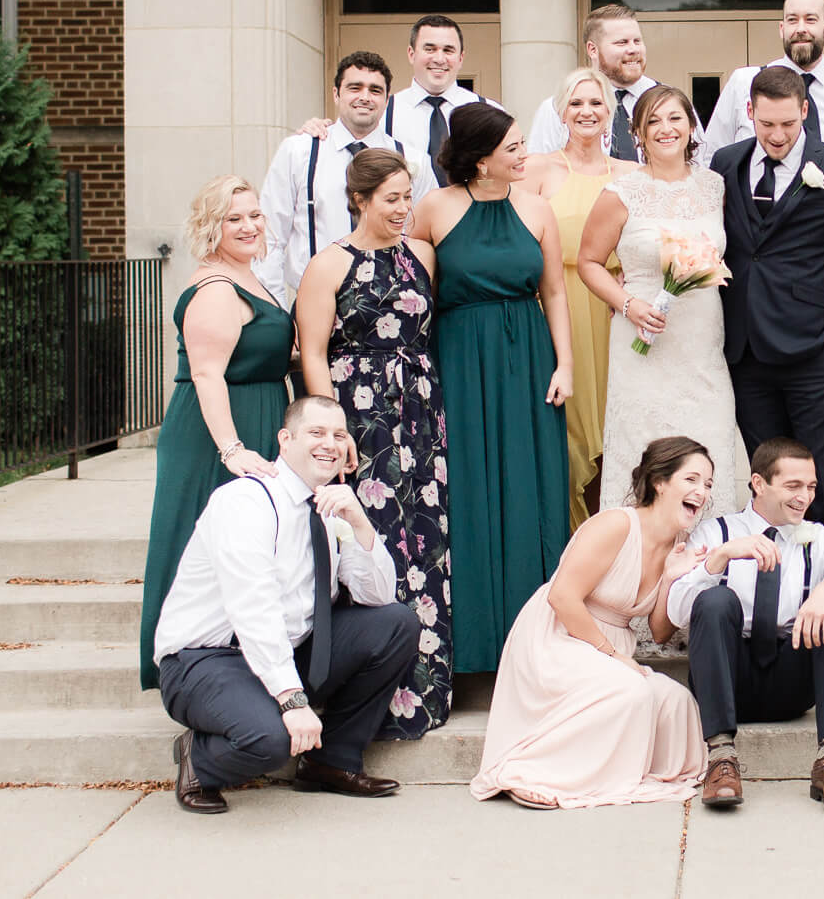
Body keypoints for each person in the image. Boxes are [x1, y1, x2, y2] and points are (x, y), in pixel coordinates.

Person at [157, 395, 421, 815]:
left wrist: (359, 523)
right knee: (272, 740)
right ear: (285, 439)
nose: (329, 444)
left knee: (396, 624)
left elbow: (378, 596)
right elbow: (253, 608)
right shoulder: (245, 501)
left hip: (291, 651)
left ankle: (329, 762)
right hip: (207, 661)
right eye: (316, 433)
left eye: (338, 435)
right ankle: (200, 761)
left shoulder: (329, 506)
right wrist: (293, 701)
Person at [294, 149, 451, 736]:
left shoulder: (422, 257)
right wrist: (333, 433)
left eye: (408, 196)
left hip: (420, 414)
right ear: (360, 200)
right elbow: (313, 351)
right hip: (361, 415)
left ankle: (426, 690)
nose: (403, 209)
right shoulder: (328, 265)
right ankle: (365, 700)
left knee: (427, 544)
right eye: (391, 199)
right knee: (372, 544)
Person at [411, 104, 573, 673]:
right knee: (468, 488)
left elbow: (554, 291)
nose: (525, 154)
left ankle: (536, 645)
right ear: (481, 162)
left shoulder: (536, 208)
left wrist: (565, 364)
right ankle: (470, 648)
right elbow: (413, 295)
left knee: (532, 489)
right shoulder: (433, 209)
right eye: (513, 148)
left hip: (528, 359)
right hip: (459, 357)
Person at [470, 436, 712, 809]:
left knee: (676, 701)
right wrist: (614, 656)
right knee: (632, 692)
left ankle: (622, 770)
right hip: (559, 636)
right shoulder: (617, 525)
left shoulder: (679, 542)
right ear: (660, 483)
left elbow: (661, 633)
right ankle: (535, 771)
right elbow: (562, 597)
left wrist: (669, 579)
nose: (702, 492)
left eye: (708, 484)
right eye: (692, 480)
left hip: (611, 649)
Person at [709, 66, 824, 555]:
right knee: (769, 483)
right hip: (746, 353)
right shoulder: (725, 163)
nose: (778, 135)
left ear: (805, 111)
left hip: (815, 352)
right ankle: (781, 594)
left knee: (823, 484)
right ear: (750, 114)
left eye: (787, 123)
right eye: (767, 125)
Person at [140, 175, 294, 689]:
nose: (249, 225)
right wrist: (232, 450)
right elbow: (207, 373)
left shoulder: (248, 275)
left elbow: (255, 349)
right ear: (212, 227)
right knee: (201, 543)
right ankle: (185, 667)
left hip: (259, 412)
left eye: (254, 214)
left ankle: (243, 665)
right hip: (218, 432)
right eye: (234, 218)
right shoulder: (215, 287)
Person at [667, 438, 824, 810]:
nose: (804, 497)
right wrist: (719, 560)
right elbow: (677, 613)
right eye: (793, 486)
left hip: (792, 682)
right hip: (729, 677)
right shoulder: (716, 533)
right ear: (759, 483)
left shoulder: (821, 536)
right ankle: (721, 758)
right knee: (714, 599)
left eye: (810, 487)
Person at [577, 85, 743, 518]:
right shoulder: (621, 193)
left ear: (692, 127)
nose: (666, 129)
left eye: (675, 118)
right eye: (653, 121)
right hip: (642, 340)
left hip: (702, 341)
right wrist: (628, 302)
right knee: (644, 450)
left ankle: (708, 565)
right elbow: (590, 262)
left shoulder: (715, 187)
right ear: (638, 133)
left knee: (710, 441)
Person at [523, 68, 638, 528]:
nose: (586, 112)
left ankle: (615, 536)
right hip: (559, 304)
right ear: (560, 112)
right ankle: (566, 539)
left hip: (616, 309)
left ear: (610, 112)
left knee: (619, 427)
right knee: (567, 428)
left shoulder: (631, 174)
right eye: (576, 104)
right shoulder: (536, 169)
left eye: (596, 103)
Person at [256, 52, 403, 306]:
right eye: (354, 87)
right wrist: (277, 311)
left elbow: (421, 238)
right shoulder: (298, 151)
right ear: (336, 94)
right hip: (314, 303)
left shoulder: (410, 158)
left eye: (375, 90)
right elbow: (270, 237)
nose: (365, 97)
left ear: (387, 99)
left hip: (389, 307)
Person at [699, 0, 824, 161]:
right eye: (792, 20)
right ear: (782, 29)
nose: (801, 29)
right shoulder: (744, 82)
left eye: (810, 19)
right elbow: (712, 156)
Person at [528, 4, 658, 158]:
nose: (633, 49)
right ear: (592, 50)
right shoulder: (558, 108)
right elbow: (538, 171)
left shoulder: (668, 103)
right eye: (621, 43)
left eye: (637, 41)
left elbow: (692, 164)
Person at [382, 15, 495, 188]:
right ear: (411, 54)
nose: (439, 59)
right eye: (430, 49)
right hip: (406, 214)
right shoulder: (383, 113)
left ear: (461, 58)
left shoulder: (490, 112)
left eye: (448, 50)